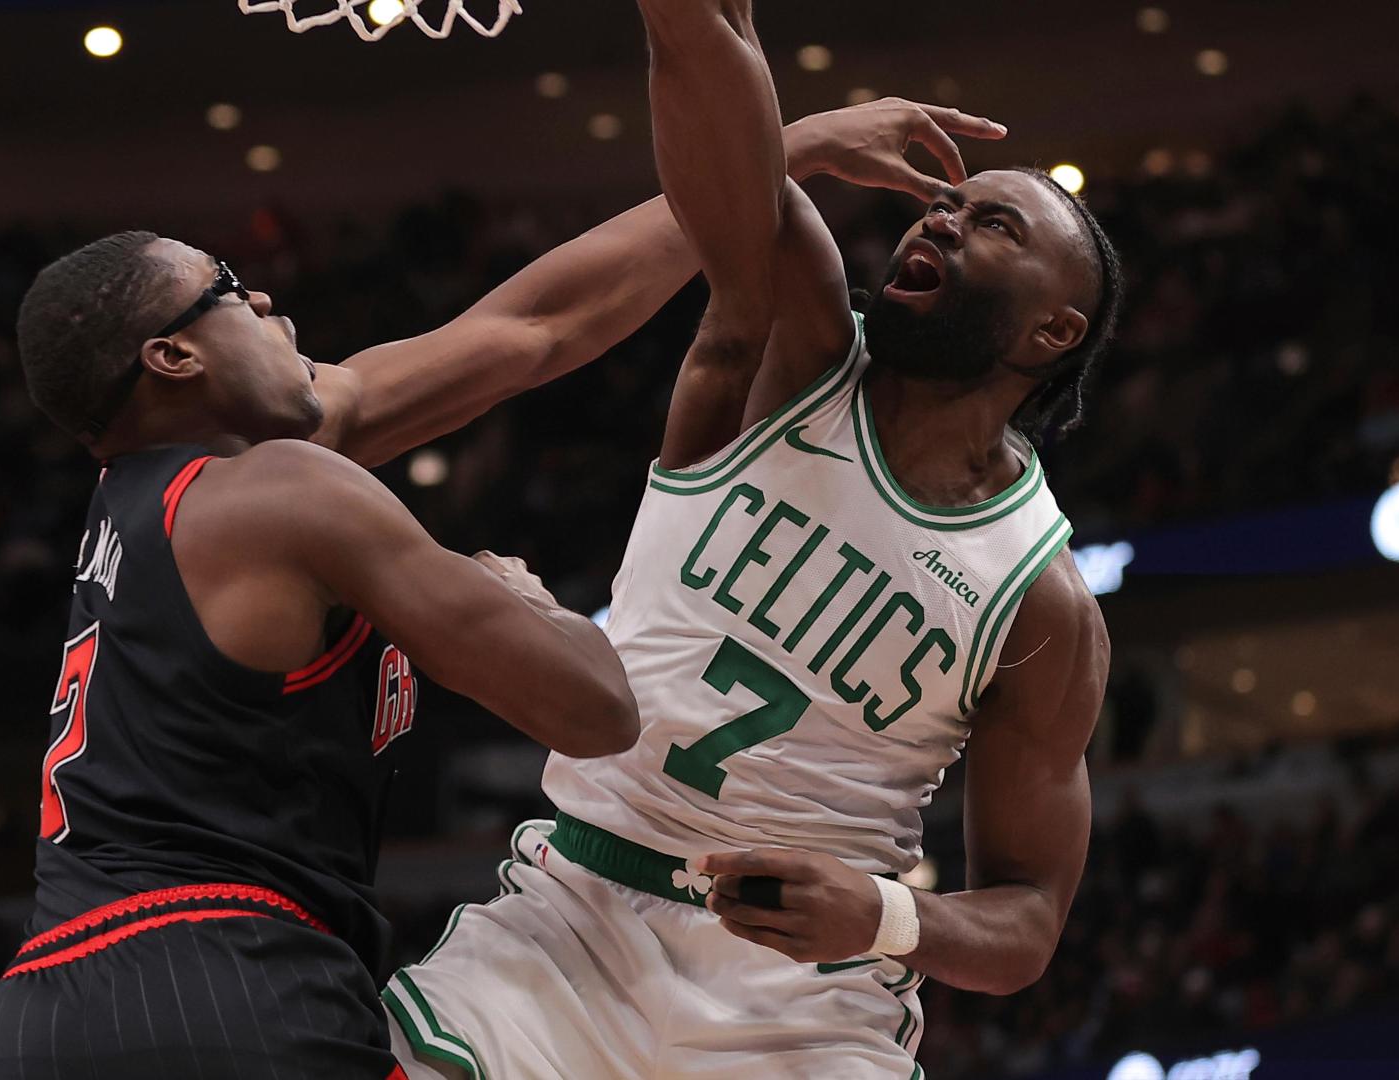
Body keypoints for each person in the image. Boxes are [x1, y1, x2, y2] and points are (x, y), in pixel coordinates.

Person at [387, 1, 1122, 1076]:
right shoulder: (792, 347)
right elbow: (703, 61)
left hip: (801, 1005)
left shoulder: (1043, 601)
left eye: (996, 225)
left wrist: (885, 917)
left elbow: (1029, 920)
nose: (943, 221)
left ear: (1055, 331)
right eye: (945, 204)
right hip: (569, 922)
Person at [0, 215, 691, 1078]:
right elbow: (596, 708)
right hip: (224, 983)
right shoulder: (285, 490)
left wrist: (768, 164)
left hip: (35, 1014)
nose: (267, 299)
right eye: (229, 286)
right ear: (175, 357)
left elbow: (527, 332)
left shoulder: (169, 498)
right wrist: (528, 602)